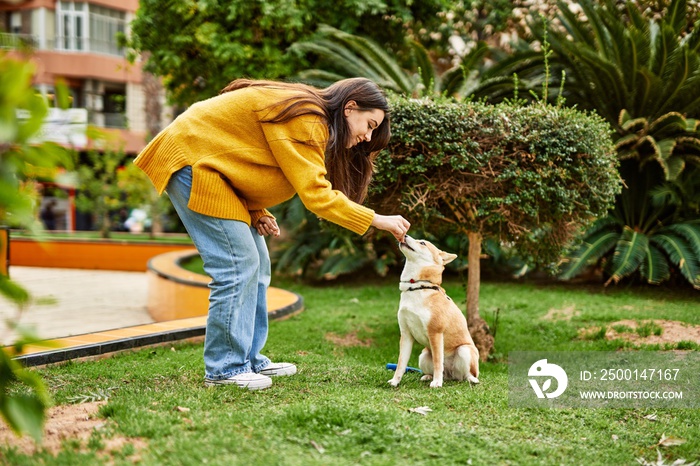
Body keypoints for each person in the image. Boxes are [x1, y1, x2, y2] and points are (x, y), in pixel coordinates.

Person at [134, 78, 410, 391]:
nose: (367, 136)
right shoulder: (309, 119)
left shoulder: (309, 117)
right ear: (350, 108)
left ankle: (248, 358)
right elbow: (316, 195)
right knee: (237, 265)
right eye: (369, 124)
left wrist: (257, 211)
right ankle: (225, 368)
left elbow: (246, 157)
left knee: (258, 263)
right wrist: (376, 220)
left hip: (212, 169)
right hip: (191, 162)